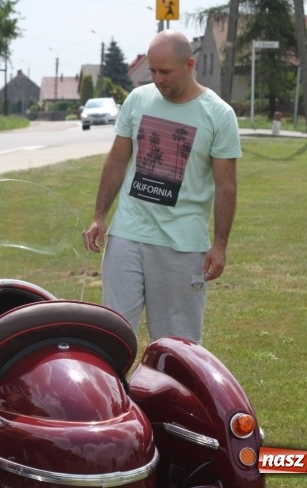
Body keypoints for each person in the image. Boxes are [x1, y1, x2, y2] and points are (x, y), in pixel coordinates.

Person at [83, 29, 241, 344]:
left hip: (183, 247)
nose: (157, 79)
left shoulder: (219, 115)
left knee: (178, 347)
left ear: (189, 65)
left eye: (165, 71)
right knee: (112, 339)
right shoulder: (138, 100)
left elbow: (226, 185)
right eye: (152, 71)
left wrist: (220, 245)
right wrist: (100, 215)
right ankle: (114, 394)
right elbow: (117, 160)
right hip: (128, 236)